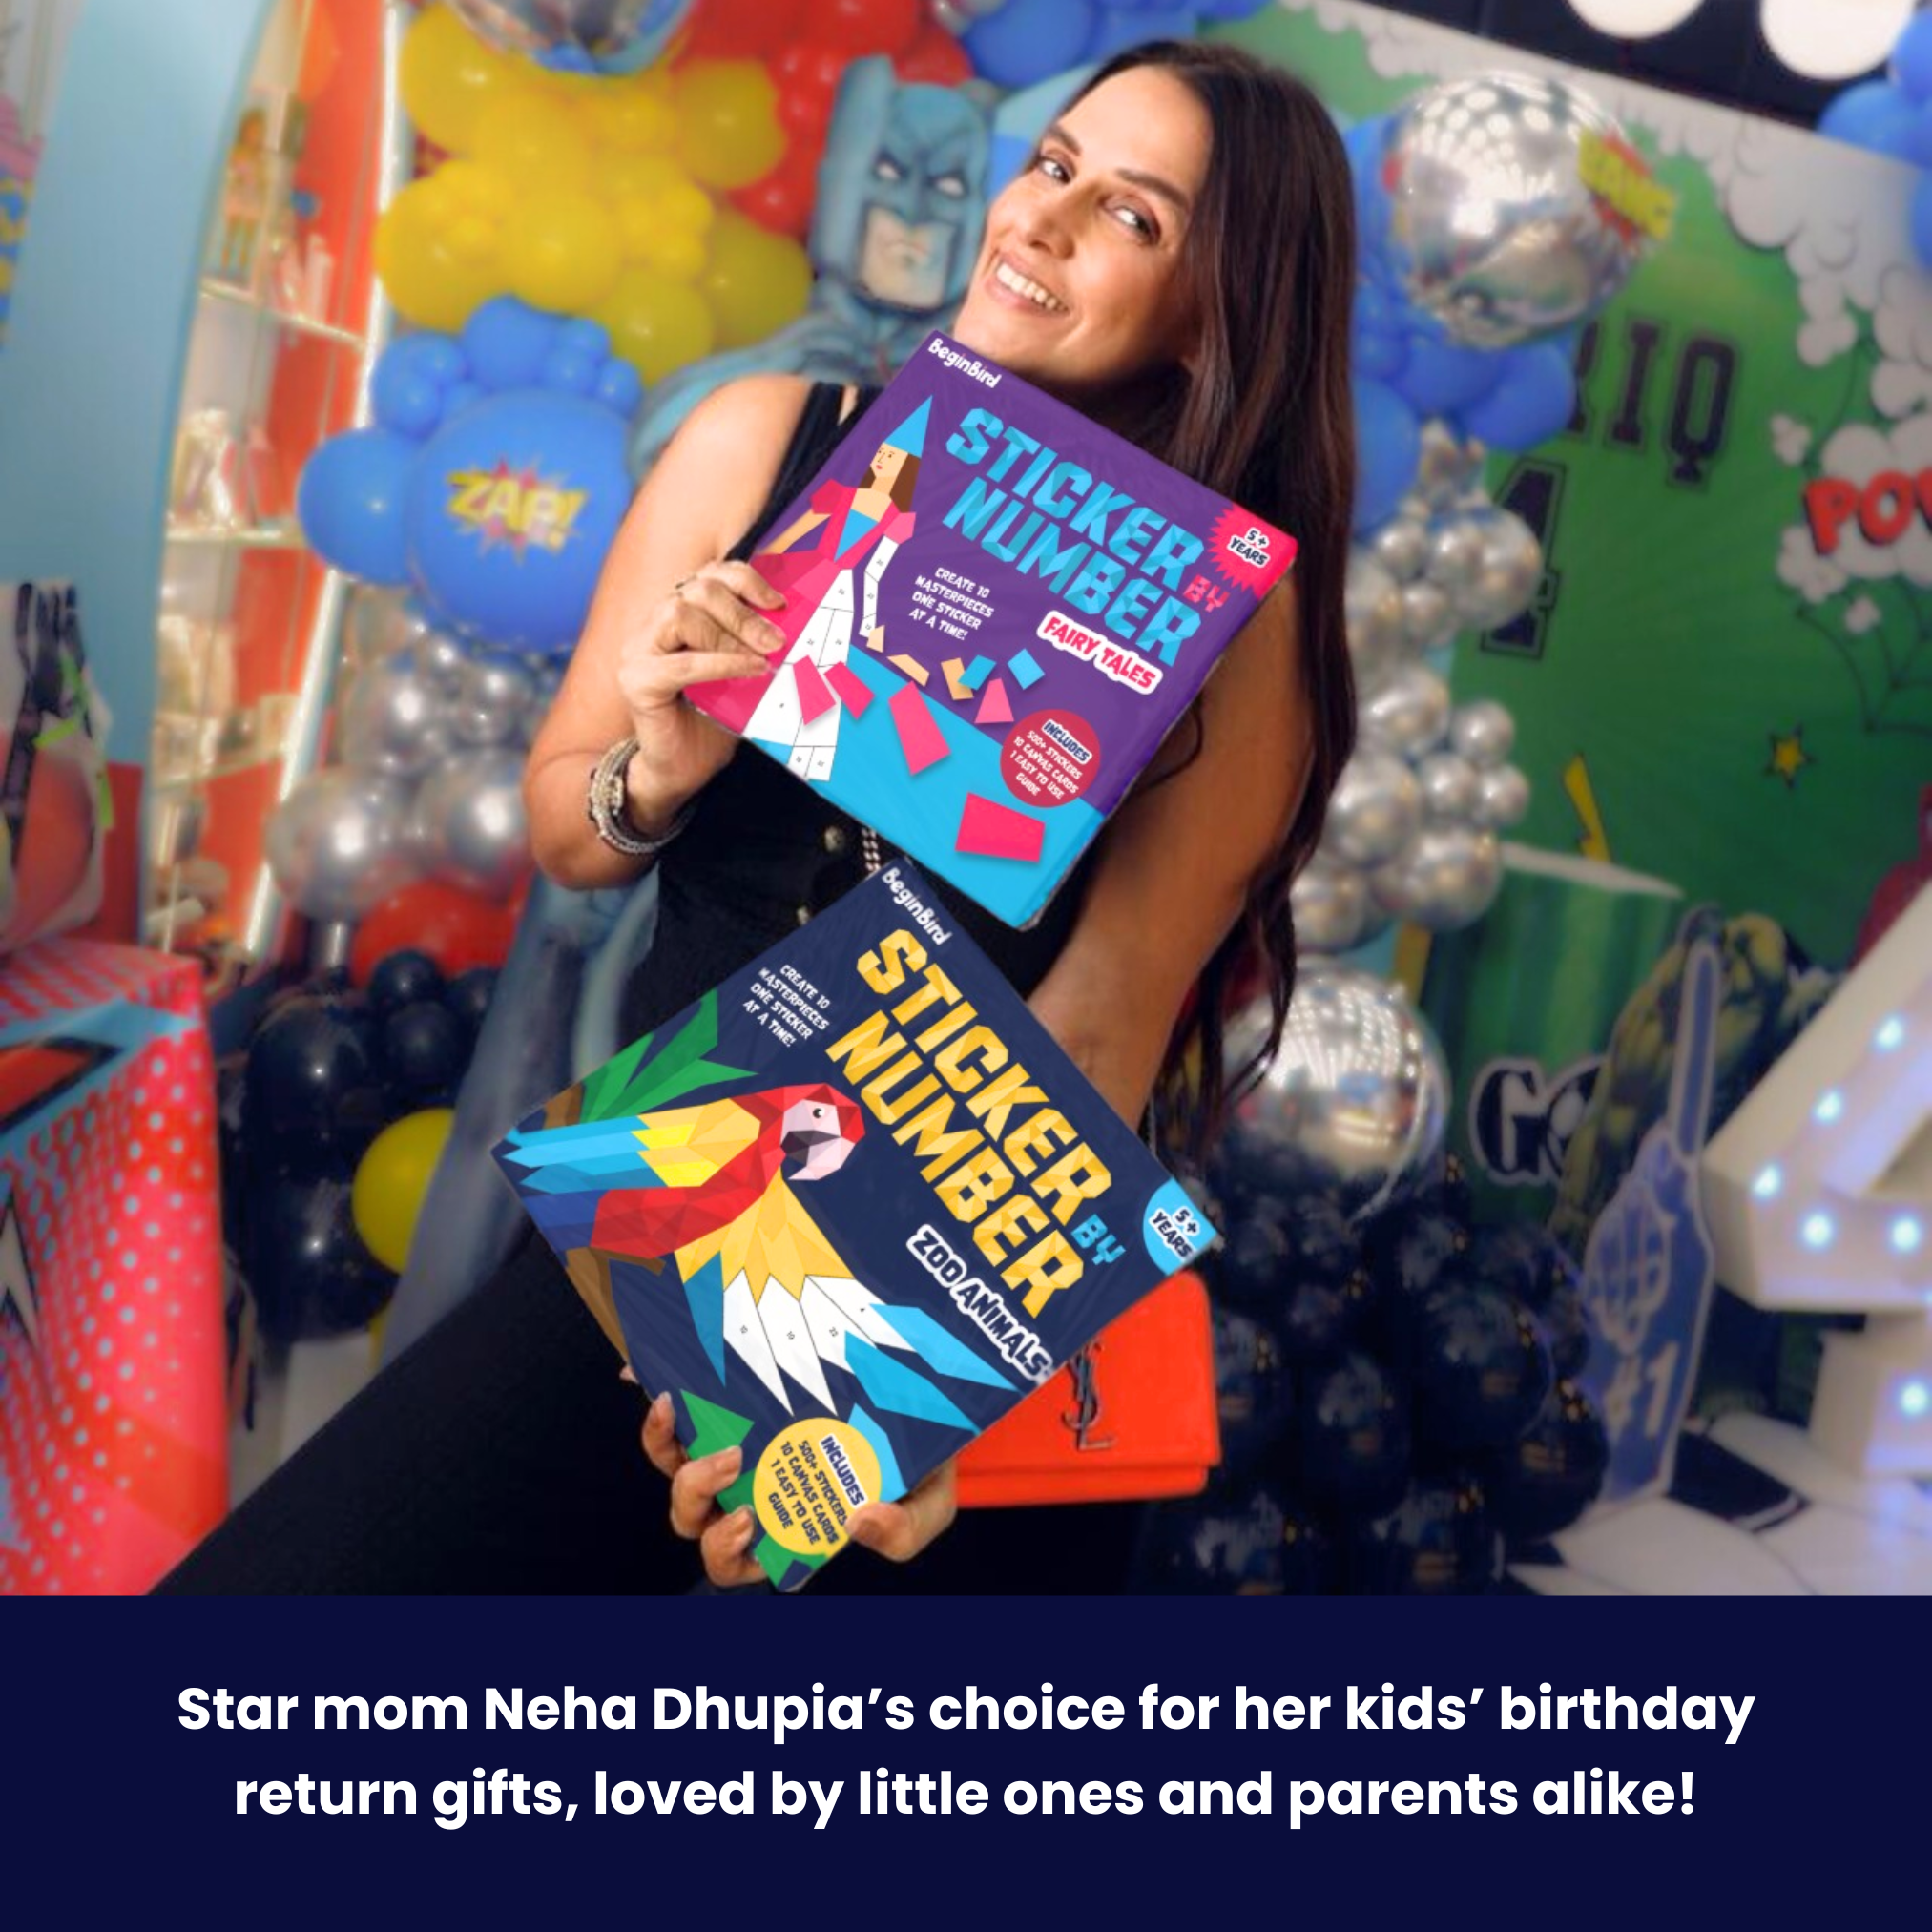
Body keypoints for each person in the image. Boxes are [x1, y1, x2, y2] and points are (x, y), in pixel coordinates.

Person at [160, 39, 1356, 1596]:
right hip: (636, 1249)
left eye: (1134, 215)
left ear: (1226, 303)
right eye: (1051, 165)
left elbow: (1101, 1029)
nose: (1039, 222)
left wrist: (875, 1407)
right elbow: (569, 830)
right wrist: (658, 765)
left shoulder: (1234, 625)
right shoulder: (772, 439)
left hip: (904, 1348)